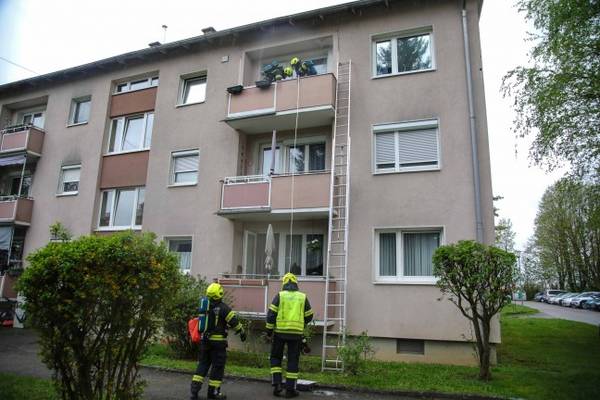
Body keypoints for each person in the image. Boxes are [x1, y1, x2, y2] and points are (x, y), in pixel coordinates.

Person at [190, 282, 247, 400]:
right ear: (220, 294)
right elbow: (234, 322)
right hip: (218, 345)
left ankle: (194, 391)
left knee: (203, 364)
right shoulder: (223, 308)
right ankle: (213, 393)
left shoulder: (204, 307)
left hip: (205, 342)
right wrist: (242, 331)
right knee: (217, 367)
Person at [266, 273, 313, 398]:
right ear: (296, 283)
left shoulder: (280, 296)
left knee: (275, 357)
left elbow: (271, 315)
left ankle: (277, 385)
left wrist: (269, 332)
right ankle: (290, 390)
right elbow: (309, 315)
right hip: (296, 334)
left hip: (280, 333)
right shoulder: (302, 297)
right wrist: (301, 323)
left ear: (284, 283)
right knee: (293, 360)